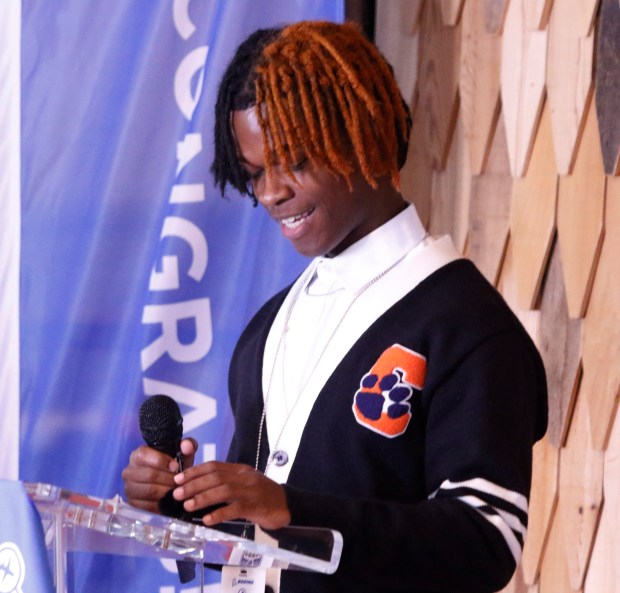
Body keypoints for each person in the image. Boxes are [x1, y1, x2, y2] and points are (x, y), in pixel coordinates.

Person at [122, 20, 548, 593]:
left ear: (362, 131)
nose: (272, 192)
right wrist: (185, 506)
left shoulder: (466, 323)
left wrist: (289, 508)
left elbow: (486, 539)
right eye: (254, 174)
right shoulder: (266, 331)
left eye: (294, 160)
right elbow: (254, 551)